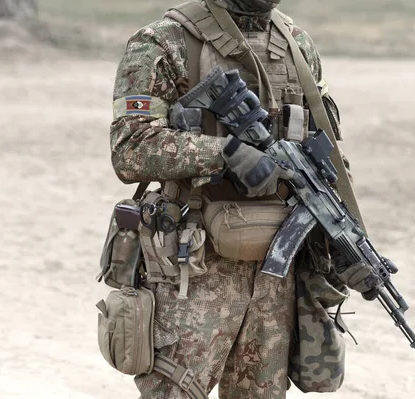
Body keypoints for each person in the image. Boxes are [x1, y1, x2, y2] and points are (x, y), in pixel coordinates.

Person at [109, 1, 379, 398]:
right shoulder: (163, 41)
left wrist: (344, 246)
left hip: (276, 274)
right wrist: (225, 153)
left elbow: (329, 160)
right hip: (192, 266)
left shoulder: (296, 45)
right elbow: (130, 149)